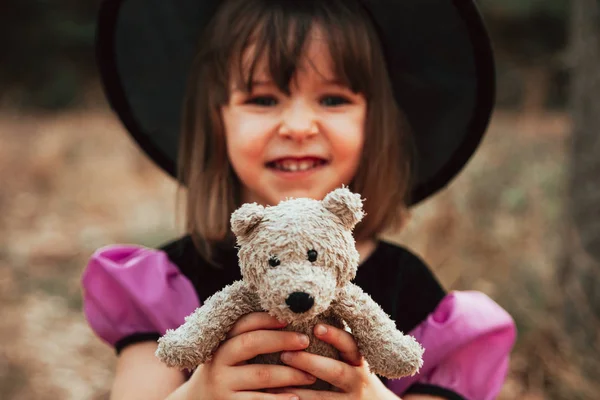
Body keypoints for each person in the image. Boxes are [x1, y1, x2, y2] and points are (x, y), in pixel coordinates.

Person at [83, 0, 517, 399]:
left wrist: (372, 394)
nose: (297, 126)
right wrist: (199, 394)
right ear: (218, 121)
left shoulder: (410, 289)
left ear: (374, 122)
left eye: (332, 99)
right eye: (263, 99)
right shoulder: (167, 286)